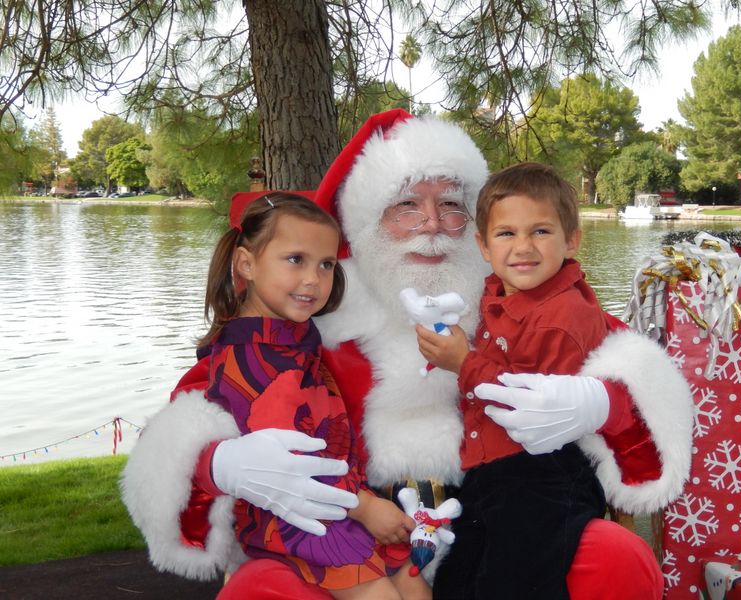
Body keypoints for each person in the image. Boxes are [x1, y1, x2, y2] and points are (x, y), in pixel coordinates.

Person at [122, 109, 694, 599]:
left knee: (616, 557)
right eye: (406, 206)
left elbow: (632, 373)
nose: (431, 226)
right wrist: (219, 463)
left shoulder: (516, 295)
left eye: (451, 203)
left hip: (500, 518)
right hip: (355, 523)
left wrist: (600, 403)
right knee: (260, 590)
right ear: (366, 222)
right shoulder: (312, 309)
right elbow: (189, 413)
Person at [195, 192, 427, 599]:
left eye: (326, 264)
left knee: (412, 581)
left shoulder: (292, 335)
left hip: (337, 498)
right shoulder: (251, 357)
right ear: (246, 264)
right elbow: (290, 461)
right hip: (300, 514)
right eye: (295, 260)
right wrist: (366, 507)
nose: (313, 279)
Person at [414, 162, 615, 598]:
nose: (523, 246)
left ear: (572, 239)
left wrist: (462, 362)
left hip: (543, 475)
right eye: (506, 234)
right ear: (483, 246)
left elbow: (530, 406)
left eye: (540, 231)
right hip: (491, 475)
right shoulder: (497, 293)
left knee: (515, 585)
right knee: (456, 581)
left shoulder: (565, 316)